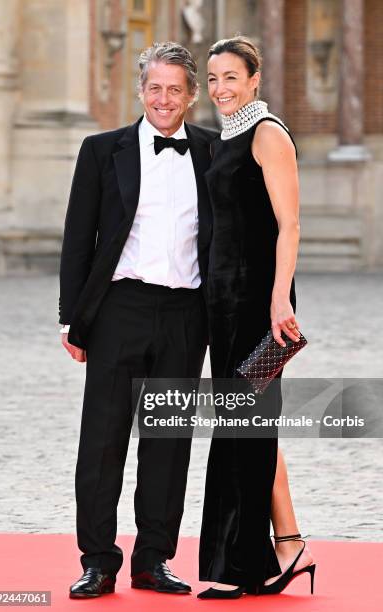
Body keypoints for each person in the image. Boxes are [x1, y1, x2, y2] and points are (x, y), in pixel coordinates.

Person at [58, 41, 217, 598]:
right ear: (141, 90)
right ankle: (98, 561)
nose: (164, 99)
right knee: (102, 442)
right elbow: (78, 240)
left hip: (185, 314)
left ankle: (154, 559)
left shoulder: (214, 151)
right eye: (155, 88)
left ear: (192, 96)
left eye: (176, 89)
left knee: (168, 445)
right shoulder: (102, 150)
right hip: (118, 311)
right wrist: (70, 321)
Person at [197, 36, 316, 599]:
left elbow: (288, 225)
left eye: (231, 78)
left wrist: (279, 300)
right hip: (222, 301)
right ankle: (288, 545)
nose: (221, 88)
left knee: (244, 427)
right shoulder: (226, 139)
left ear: (254, 81)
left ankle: (242, 566)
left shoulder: (268, 134)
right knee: (248, 424)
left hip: (258, 305)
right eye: (214, 78)